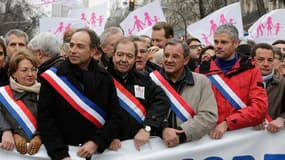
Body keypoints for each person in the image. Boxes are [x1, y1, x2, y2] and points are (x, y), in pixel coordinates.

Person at [37, 28, 123, 160]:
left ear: (93, 50)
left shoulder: (105, 78)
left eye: (80, 46)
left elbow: (115, 116)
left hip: (96, 153)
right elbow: (45, 119)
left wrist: (97, 142)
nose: (73, 50)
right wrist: (60, 154)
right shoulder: (54, 76)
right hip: (64, 153)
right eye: (71, 45)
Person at [199, 24, 268, 139]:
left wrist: (227, 123)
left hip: (241, 137)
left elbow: (259, 107)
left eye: (224, 42)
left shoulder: (251, 69)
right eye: (216, 42)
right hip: (210, 137)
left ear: (236, 43)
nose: (218, 46)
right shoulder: (202, 70)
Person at [149, 39, 218, 147]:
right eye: (166, 55)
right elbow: (147, 112)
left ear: (186, 60)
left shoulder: (202, 82)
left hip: (190, 146)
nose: (169, 60)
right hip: (158, 146)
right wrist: (163, 129)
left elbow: (208, 116)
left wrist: (182, 133)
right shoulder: (151, 81)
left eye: (175, 56)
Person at [107, 37, 169, 150]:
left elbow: (162, 101)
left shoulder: (143, 79)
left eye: (129, 56)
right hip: (112, 148)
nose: (124, 59)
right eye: (120, 54)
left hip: (140, 147)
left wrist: (147, 127)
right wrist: (105, 136)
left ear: (135, 58)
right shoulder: (100, 79)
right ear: (113, 55)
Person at [0, 49, 41, 155]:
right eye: (24, 70)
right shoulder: (2, 94)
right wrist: (12, 133)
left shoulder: (44, 93)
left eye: (33, 69)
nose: (30, 74)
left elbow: (53, 122)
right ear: (13, 73)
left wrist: (40, 136)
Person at [252, 43, 285, 133]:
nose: (266, 64)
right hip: (246, 139)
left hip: (273, 139)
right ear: (252, 60)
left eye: (270, 60)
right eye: (261, 60)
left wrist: (281, 119)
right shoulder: (241, 82)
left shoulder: (282, 83)